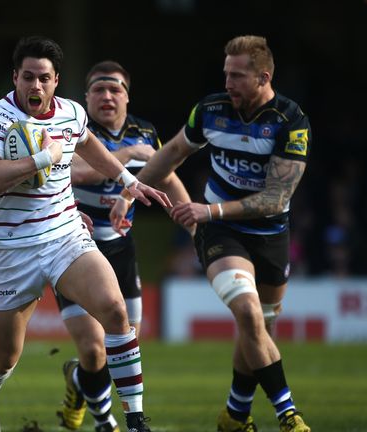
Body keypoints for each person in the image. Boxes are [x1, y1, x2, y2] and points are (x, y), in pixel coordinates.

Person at [110, 35, 311, 432]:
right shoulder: (210, 110)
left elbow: (275, 197)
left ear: (263, 77)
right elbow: (171, 153)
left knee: (261, 327)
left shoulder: (291, 122)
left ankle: (235, 414)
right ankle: (289, 414)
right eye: (226, 74)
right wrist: (128, 192)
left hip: (270, 233)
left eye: (237, 76)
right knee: (249, 313)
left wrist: (209, 207)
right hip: (220, 231)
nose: (228, 83)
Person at [0, 36, 171, 432]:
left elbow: (90, 144)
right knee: (3, 359)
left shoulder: (72, 113)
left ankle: (135, 420)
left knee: (116, 312)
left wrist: (127, 179)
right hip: (14, 249)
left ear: (56, 80)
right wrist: (42, 158)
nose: (35, 86)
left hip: (66, 235)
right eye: (28, 77)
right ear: (15, 77)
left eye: (44, 78)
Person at [55, 61, 192, 432]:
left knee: (125, 343)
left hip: (119, 248)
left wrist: (194, 223)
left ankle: (78, 382)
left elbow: (164, 174)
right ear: (86, 98)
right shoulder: (73, 127)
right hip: (71, 247)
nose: (106, 96)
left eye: (114, 89)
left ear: (127, 96)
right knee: (93, 348)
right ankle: (107, 423)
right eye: (98, 89)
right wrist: (129, 156)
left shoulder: (145, 131)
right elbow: (74, 173)